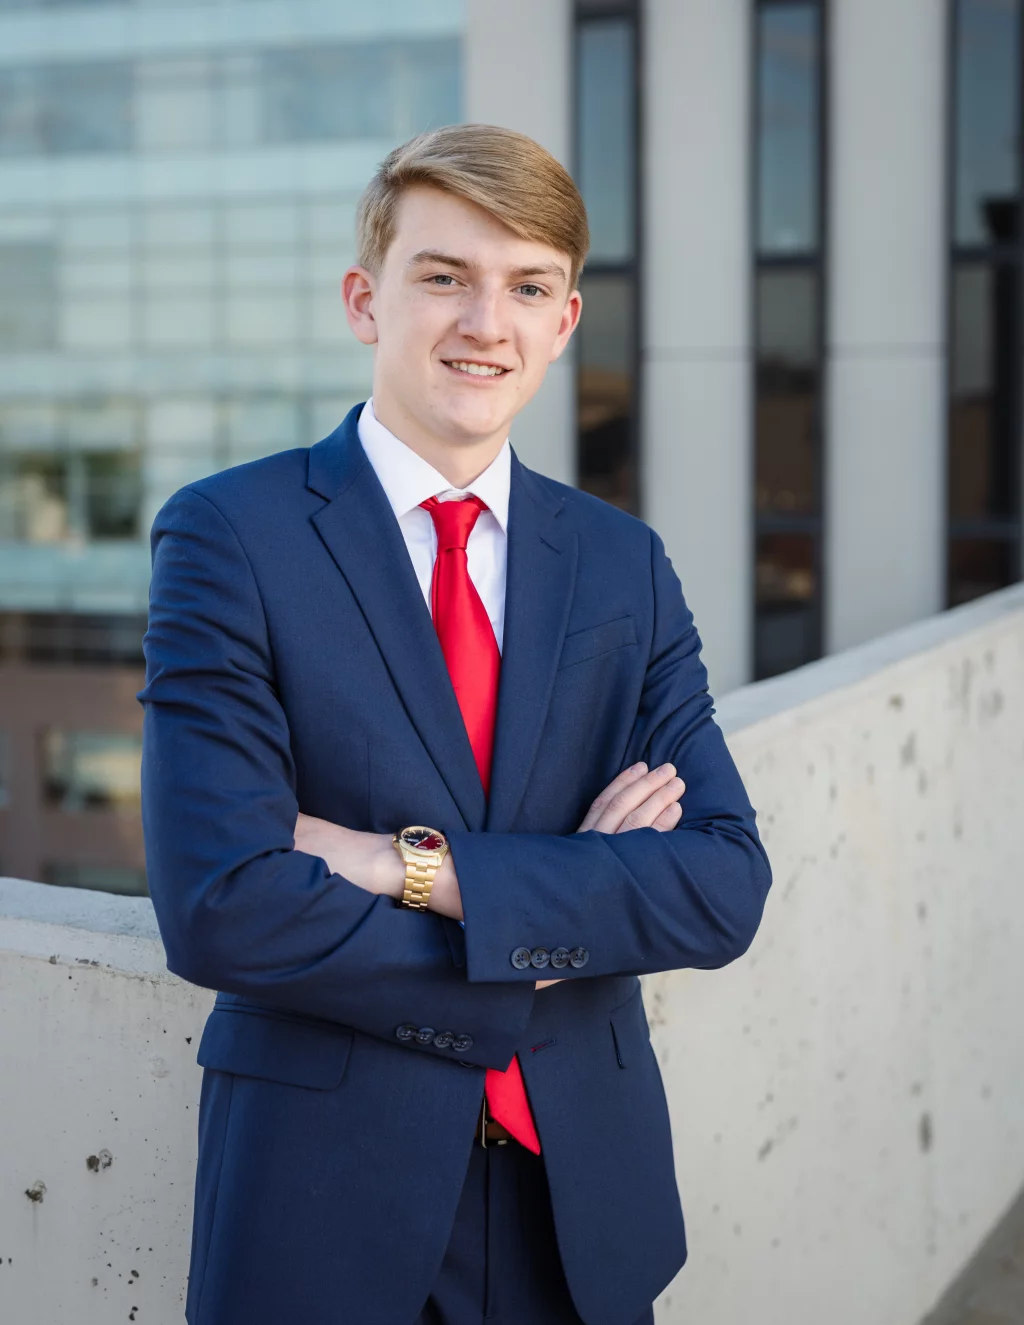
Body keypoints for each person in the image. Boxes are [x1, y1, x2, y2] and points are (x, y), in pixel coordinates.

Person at [137, 123, 772, 1325]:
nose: (487, 322)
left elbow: (721, 884)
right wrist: (566, 905)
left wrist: (404, 867)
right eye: (445, 276)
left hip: (581, 1199)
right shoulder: (231, 535)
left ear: (564, 321)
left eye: (526, 285)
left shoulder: (618, 562)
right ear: (365, 300)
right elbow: (222, 901)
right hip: (325, 1201)